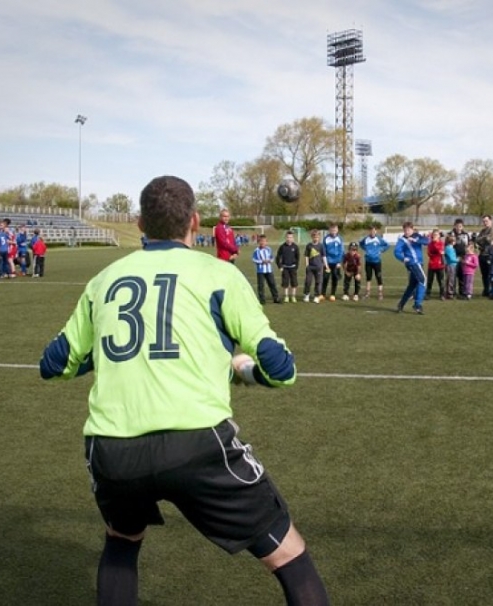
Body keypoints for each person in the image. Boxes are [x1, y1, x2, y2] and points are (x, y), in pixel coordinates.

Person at [38, 175, 329, 606]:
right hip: (197, 443)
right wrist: (243, 371)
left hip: (114, 449)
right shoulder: (219, 273)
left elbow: (54, 365)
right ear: (195, 221)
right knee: (289, 554)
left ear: (139, 223)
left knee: (121, 541)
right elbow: (281, 368)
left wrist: (105, 355)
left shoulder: (103, 281)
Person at [394, 222, 429, 314]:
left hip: (419, 263)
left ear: (412, 229)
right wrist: (402, 258)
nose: (407, 232)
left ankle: (401, 304)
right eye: (405, 230)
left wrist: (416, 240)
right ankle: (417, 304)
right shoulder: (402, 240)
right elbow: (396, 251)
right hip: (413, 263)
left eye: (408, 230)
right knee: (423, 280)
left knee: (412, 286)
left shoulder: (416, 236)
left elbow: (427, 241)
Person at [358, 225, 390, 300]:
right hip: (368, 261)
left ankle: (380, 293)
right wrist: (365, 249)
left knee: (378, 277)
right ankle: (367, 293)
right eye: (371, 231)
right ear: (369, 231)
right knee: (368, 277)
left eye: (373, 231)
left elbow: (387, 245)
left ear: (375, 231)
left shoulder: (379, 239)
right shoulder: (366, 239)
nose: (372, 232)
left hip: (377, 261)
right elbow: (361, 244)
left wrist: (381, 250)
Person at [251, 234, 281, 304]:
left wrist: (270, 260)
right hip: (260, 271)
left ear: (266, 242)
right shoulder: (256, 250)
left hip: (269, 270)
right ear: (259, 242)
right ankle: (262, 299)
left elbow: (272, 257)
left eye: (264, 241)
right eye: (261, 241)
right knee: (261, 285)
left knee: (272, 284)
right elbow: (254, 259)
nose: (263, 243)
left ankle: (276, 298)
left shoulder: (269, 249)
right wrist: (262, 261)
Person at [475, 215, 493, 298]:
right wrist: (482, 239)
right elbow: (477, 240)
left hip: (490, 255)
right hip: (482, 254)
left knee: (491, 274)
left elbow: (489, 240)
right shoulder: (483, 230)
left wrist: (482, 239)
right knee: (484, 274)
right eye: (484, 221)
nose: (485, 223)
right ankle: (486, 289)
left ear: (491, 220)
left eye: (486, 221)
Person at [320, 224, 344, 302]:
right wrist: (324, 262)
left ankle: (332, 294)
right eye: (332, 230)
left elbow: (341, 251)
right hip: (327, 262)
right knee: (325, 278)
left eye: (335, 230)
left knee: (335, 278)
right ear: (329, 230)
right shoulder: (326, 239)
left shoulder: (340, 238)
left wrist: (339, 262)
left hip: (336, 263)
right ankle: (323, 294)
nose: (333, 231)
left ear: (337, 230)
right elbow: (323, 251)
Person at [276, 231, 300, 303]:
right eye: (288, 237)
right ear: (285, 238)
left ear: (293, 238)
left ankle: (293, 296)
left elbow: (297, 257)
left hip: (293, 267)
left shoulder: (295, 247)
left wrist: (296, 267)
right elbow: (277, 257)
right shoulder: (282, 247)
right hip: (285, 268)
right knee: (285, 283)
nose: (289, 239)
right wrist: (280, 266)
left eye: (291, 237)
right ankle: (286, 296)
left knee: (294, 282)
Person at [450, 219, 472, 297]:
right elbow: (447, 245)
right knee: (452, 275)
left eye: (460, 226)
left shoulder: (466, 234)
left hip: (463, 257)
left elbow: (469, 245)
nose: (459, 228)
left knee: (462, 275)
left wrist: (468, 255)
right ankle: (452, 292)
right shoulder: (450, 234)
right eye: (457, 226)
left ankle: (462, 291)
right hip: (453, 258)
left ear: (462, 226)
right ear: (454, 226)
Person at [302, 230, 325, 303]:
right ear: (312, 237)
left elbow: (324, 256)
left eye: (317, 237)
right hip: (310, 267)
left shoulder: (321, 246)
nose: (316, 238)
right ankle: (306, 295)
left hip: (319, 267)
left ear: (319, 237)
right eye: (314, 236)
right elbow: (306, 256)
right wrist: (307, 265)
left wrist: (326, 265)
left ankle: (316, 296)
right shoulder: (309, 245)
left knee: (318, 282)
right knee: (308, 281)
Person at [426, 229, 445, 300]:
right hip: (431, 264)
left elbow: (440, 251)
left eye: (436, 235)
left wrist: (435, 244)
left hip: (440, 265)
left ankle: (442, 294)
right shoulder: (430, 244)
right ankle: (428, 294)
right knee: (429, 280)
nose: (434, 236)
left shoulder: (441, 243)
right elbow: (429, 253)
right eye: (433, 235)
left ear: (439, 236)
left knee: (441, 281)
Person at [443, 234, 458, 300]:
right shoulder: (449, 248)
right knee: (450, 279)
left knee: (451, 279)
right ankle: (449, 293)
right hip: (450, 265)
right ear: (452, 242)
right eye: (455, 240)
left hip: (452, 265)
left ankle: (449, 292)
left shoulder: (450, 248)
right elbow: (451, 258)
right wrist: (458, 260)